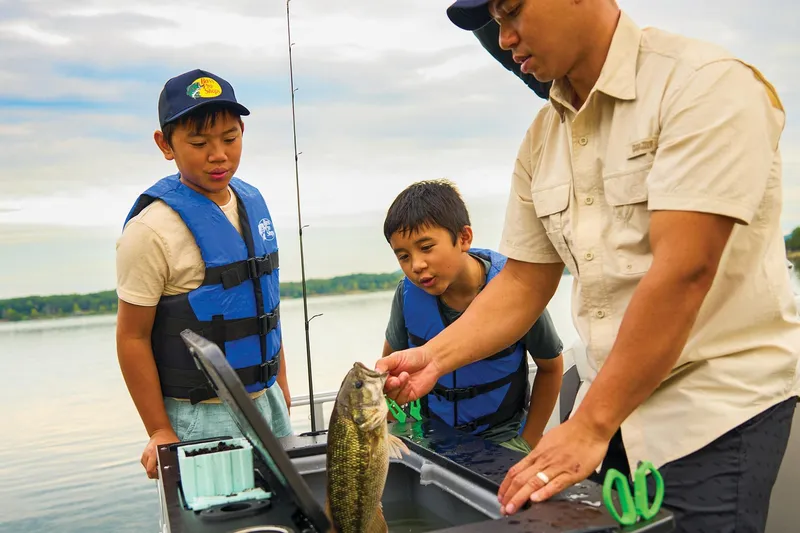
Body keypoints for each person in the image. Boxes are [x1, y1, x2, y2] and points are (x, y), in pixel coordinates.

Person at [377, 1, 800, 530]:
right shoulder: (542, 138)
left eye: (511, 13)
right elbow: (526, 281)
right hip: (610, 414)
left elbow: (683, 272)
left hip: (712, 408)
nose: (505, 38)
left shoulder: (704, 85)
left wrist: (590, 424)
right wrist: (433, 358)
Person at [115, 69, 292, 480]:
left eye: (230, 138)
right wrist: (159, 429)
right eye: (199, 143)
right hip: (200, 417)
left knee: (292, 515)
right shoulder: (149, 231)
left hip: (268, 404)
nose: (218, 155)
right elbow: (131, 336)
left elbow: (266, 306)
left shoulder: (253, 203)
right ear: (165, 144)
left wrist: (279, 383)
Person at [381, 179, 564, 453]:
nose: (416, 265)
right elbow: (391, 376)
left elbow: (551, 368)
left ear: (464, 238)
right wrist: (394, 433)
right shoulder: (406, 295)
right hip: (433, 438)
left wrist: (528, 441)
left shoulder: (516, 290)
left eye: (427, 247)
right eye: (403, 256)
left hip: (503, 438)